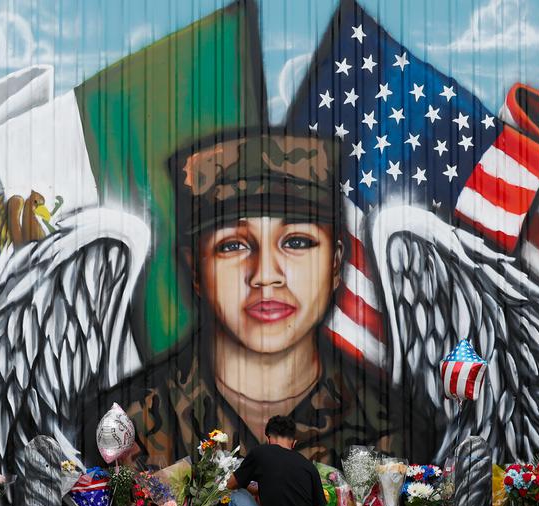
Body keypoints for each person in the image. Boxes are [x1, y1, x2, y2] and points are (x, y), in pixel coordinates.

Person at [80, 131, 438, 467]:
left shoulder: (395, 429)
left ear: (334, 264)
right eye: (233, 245)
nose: (266, 274)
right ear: (195, 271)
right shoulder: (129, 423)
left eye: (297, 241)